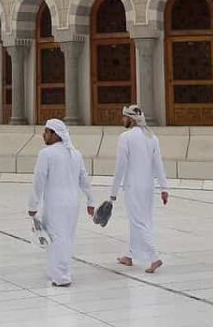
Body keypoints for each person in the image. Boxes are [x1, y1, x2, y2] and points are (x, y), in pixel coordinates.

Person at [27, 119, 95, 287]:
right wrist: (90, 200)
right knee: (63, 238)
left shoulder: (46, 154)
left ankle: (62, 276)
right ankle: (54, 271)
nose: (43, 135)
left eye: (46, 132)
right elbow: (84, 179)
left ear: (55, 134)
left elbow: (38, 180)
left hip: (56, 204)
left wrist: (32, 205)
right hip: (72, 203)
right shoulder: (76, 154)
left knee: (57, 239)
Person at [109, 105, 169, 274]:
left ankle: (154, 257)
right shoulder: (152, 137)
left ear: (131, 119)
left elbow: (120, 167)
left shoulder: (125, 137)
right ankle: (129, 255)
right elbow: (158, 165)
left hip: (133, 186)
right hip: (148, 187)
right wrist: (164, 187)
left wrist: (112, 193)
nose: (122, 120)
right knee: (143, 219)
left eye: (124, 117)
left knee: (137, 221)